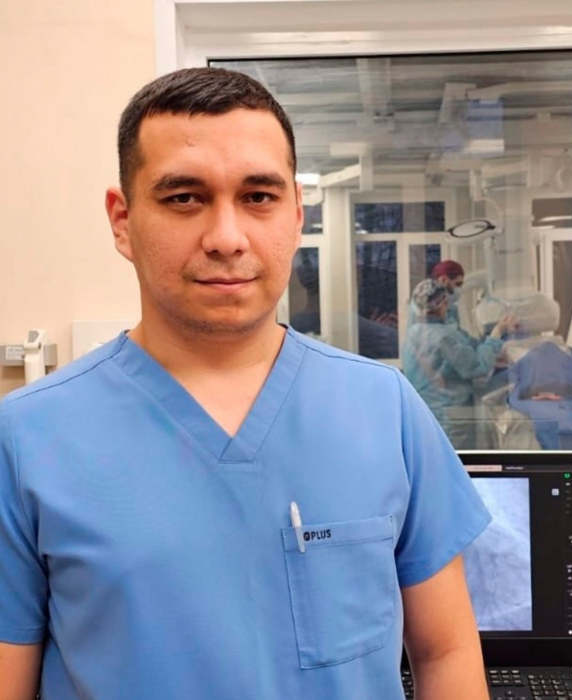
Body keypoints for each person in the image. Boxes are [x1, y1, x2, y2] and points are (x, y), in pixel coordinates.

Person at [0, 68, 491, 700]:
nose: (227, 239)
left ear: (296, 213)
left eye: (258, 196)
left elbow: (446, 652)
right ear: (122, 221)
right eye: (184, 198)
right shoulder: (27, 437)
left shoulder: (383, 409)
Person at [402, 279, 516, 445]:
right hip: (450, 418)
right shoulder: (443, 337)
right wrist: (497, 333)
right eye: (446, 303)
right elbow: (476, 366)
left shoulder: (413, 333)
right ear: (442, 305)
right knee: (454, 458)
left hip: (424, 414)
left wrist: (487, 351)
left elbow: (455, 356)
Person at [408, 259, 465, 329]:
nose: (459, 288)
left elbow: (456, 331)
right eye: (458, 284)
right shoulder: (421, 303)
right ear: (444, 280)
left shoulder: (452, 306)